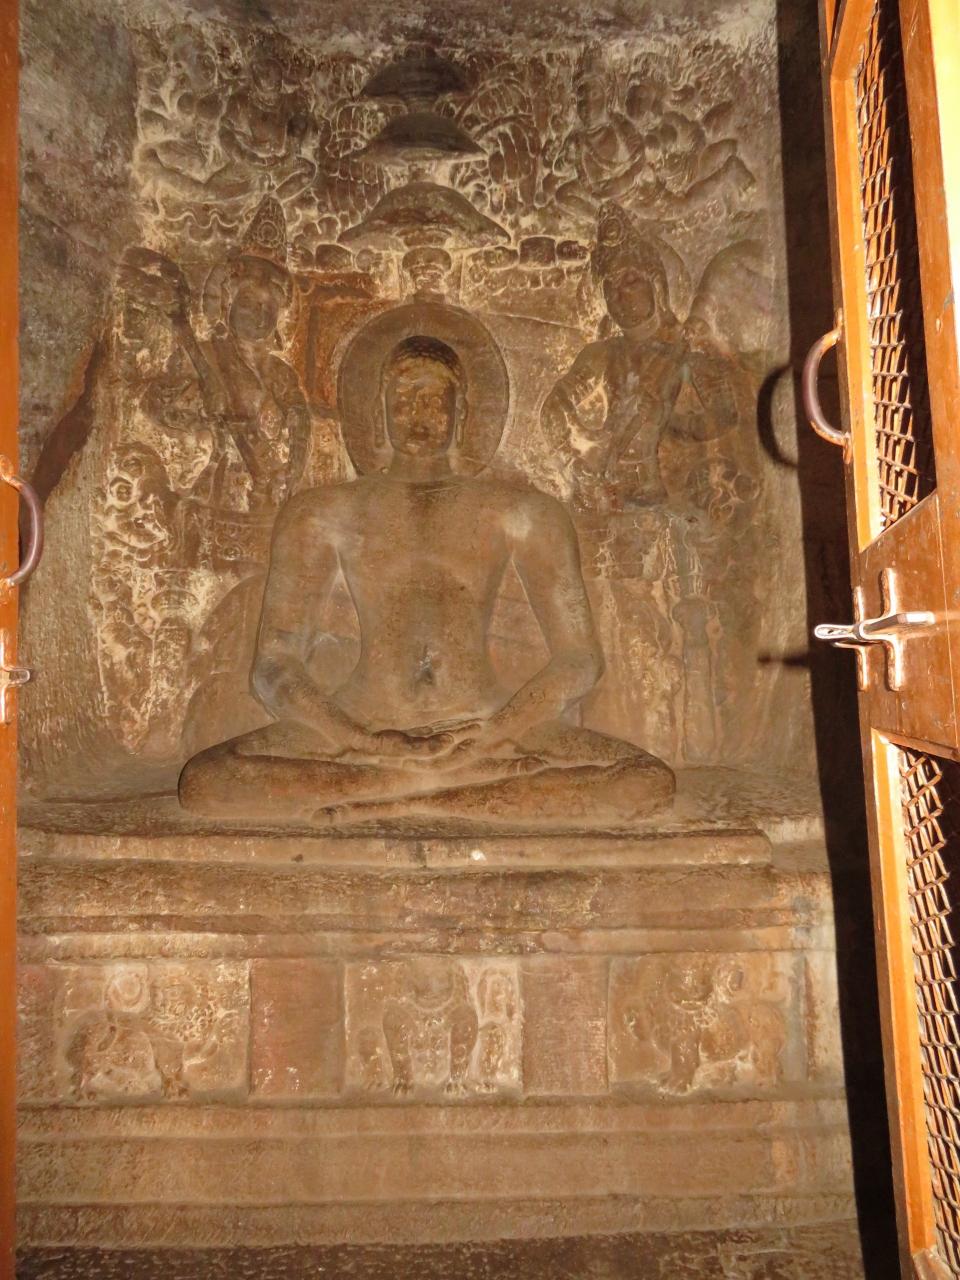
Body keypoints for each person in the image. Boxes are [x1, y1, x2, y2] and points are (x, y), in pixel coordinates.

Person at [180, 335, 674, 828]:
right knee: (206, 782)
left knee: (646, 781)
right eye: (404, 398)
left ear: (464, 413)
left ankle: (409, 795)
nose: (420, 413)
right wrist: (358, 739)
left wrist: (498, 731)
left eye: (436, 399)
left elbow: (579, 658)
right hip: (362, 723)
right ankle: (429, 786)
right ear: (379, 411)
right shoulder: (322, 513)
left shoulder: (522, 512)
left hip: (485, 724)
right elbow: (274, 665)